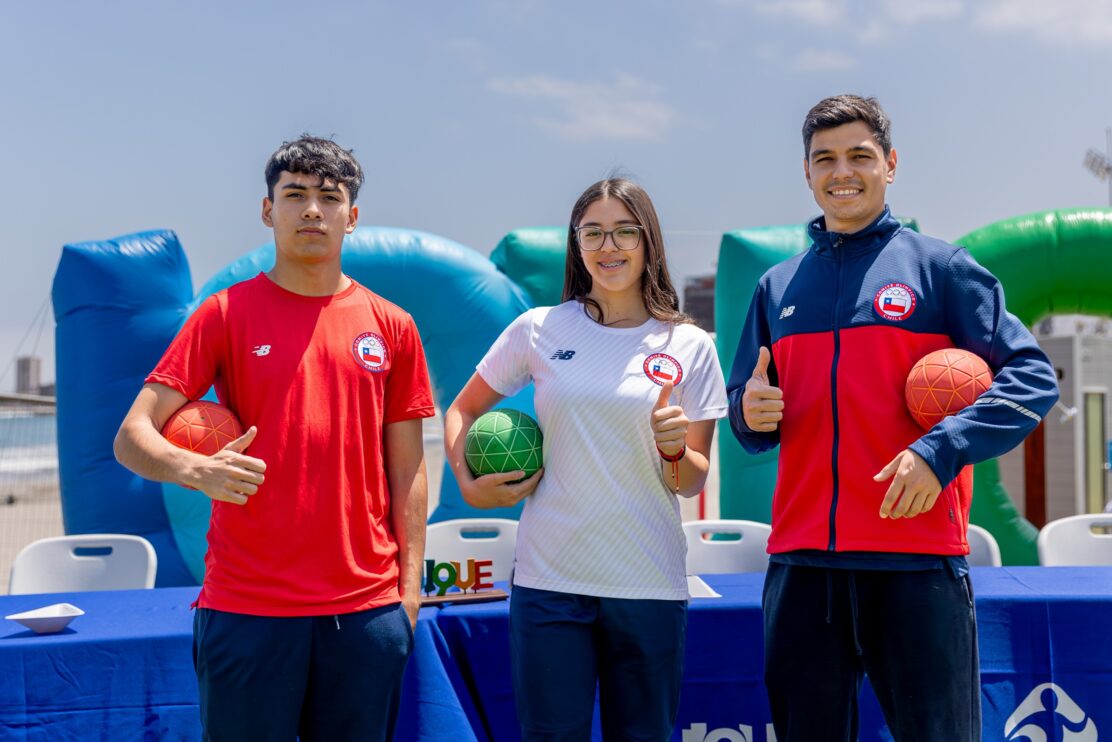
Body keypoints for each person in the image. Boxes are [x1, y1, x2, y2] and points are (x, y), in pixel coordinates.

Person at [726, 95, 1059, 741]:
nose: (841, 171)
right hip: (802, 568)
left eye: (859, 155)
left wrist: (942, 449)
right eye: (825, 159)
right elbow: (746, 410)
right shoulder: (777, 287)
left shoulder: (943, 270)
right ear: (807, 172)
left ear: (890, 164)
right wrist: (751, 412)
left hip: (916, 563)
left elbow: (1033, 378)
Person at [113, 135, 434, 741]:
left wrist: (409, 593)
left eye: (328, 197)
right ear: (269, 211)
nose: (312, 209)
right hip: (247, 605)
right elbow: (132, 436)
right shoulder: (224, 314)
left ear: (351, 216)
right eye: (295, 195)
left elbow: (409, 470)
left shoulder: (392, 325)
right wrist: (192, 468)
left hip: (365, 608)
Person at [444, 177, 728, 740]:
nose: (609, 246)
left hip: (648, 582)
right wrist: (470, 484)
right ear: (576, 244)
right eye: (592, 232)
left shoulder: (690, 345)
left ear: (649, 242)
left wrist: (674, 449)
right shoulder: (540, 329)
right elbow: (462, 409)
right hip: (550, 582)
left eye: (625, 231)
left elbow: (691, 481)